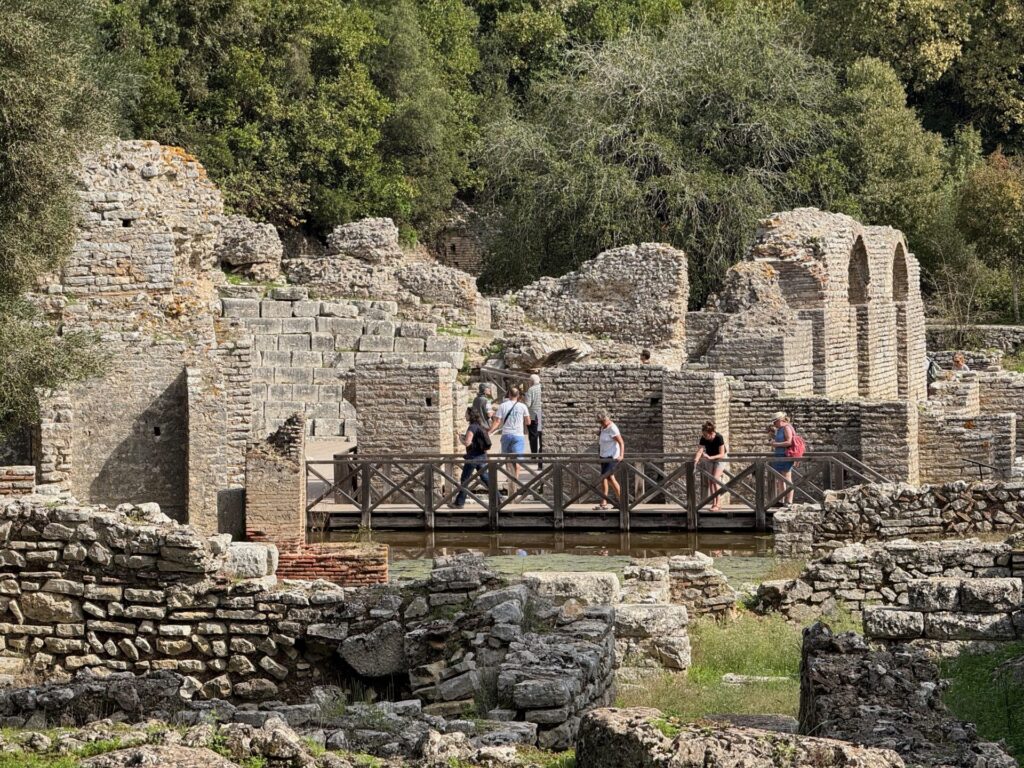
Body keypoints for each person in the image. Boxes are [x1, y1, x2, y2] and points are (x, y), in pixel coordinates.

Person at [451, 407, 491, 508]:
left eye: (466, 414)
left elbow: (467, 443)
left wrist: (460, 438)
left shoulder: (472, 427)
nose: (465, 416)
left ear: (470, 415)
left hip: (473, 457)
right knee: (485, 478)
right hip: (482, 456)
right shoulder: (479, 425)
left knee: (465, 479)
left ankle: (459, 503)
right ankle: (498, 498)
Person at [491, 386, 531, 486]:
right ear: (518, 395)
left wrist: (490, 430)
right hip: (518, 435)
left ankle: (509, 479)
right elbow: (528, 422)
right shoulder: (523, 406)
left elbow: (497, 421)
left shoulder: (503, 406)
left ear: (509, 395)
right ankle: (515, 481)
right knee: (517, 460)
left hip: (506, 434)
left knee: (507, 459)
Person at [694, 421, 727, 512]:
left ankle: (718, 503)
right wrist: (696, 459)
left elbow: (722, 454)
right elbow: (700, 450)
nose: (704, 437)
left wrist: (710, 457)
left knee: (715, 479)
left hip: (720, 458)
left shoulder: (719, 437)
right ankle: (714, 502)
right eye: (703, 435)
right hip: (710, 458)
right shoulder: (703, 438)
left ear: (711, 433)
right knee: (710, 481)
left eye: (705, 435)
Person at [595, 411, 625, 510]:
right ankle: (604, 502)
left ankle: (622, 501)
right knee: (604, 478)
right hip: (603, 456)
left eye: (602, 421)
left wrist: (621, 455)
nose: (601, 424)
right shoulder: (603, 427)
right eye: (600, 422)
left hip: (611, 457)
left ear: (606, 419)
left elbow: (621, 442)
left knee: (609, 478)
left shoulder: (612, 428)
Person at [768, 411, 795, 506]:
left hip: (786, 456)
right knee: (779, 479)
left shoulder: (787, 428)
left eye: (774, 422)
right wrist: (773, 439)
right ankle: (781, 500)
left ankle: (789, 501)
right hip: (778, 455)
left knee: (787, 479)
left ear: (780, 420)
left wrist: (775, 444)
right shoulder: (779, 429)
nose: (774, 424)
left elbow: (789, 442)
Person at [524, 374, 543, 456]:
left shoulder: (531, 390)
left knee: (533, 435)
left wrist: (524, 400)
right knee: (541, 435)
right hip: (541, 414)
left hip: (533, 415)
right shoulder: (543, 387)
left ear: (531, 381)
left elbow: (528, 404)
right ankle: (542, 454)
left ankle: (534, 455)